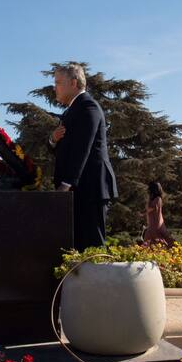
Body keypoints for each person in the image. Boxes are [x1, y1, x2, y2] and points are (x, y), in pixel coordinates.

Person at [49, 63, 118, 251]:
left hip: (90, 188)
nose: (55, 87)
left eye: (58, 82)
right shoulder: (72, 110)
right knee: (78, 249)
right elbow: (65, 150)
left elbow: (83, 149)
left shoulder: (88, 107)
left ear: (73, 83)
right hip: (79, 189)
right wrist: (53, 140)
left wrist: (66, 184)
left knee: (92, 249)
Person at [143, 181, 174, 246]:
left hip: (155, 223)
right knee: (152, 239)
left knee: (154, 238)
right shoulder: (153, 199)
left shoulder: (158, 199)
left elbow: (149, 209)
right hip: (152, 223)